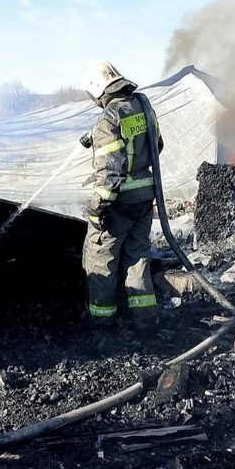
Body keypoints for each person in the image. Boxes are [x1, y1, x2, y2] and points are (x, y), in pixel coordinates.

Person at [79, 60, 163, 330]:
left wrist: (97, 209)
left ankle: (102, 322)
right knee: (137, 256)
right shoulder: (142, 105)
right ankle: (145, 319)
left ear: (98, 89)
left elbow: (109, 173)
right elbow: (156, 145)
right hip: (144, 199)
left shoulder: (108, 118)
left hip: (119, 203)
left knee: (101, 258)